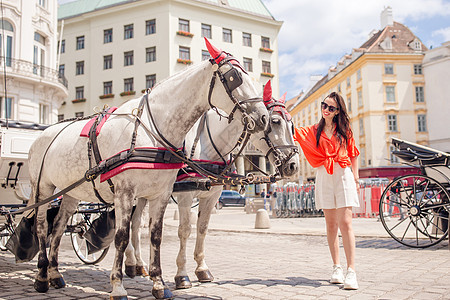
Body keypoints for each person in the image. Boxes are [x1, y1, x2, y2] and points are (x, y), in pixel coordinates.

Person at [293, 92, 360, 290]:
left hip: (343, 174)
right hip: (323, 174)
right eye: (324, 106)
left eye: (331, 108)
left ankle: (351, 271)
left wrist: (355, 178)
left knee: (345, 222)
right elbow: (293, 131)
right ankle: (336, 268)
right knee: (331, 225)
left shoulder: (345, 130)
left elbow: (354, 154)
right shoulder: (314, 130)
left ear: (338, 111)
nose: (326, 110)